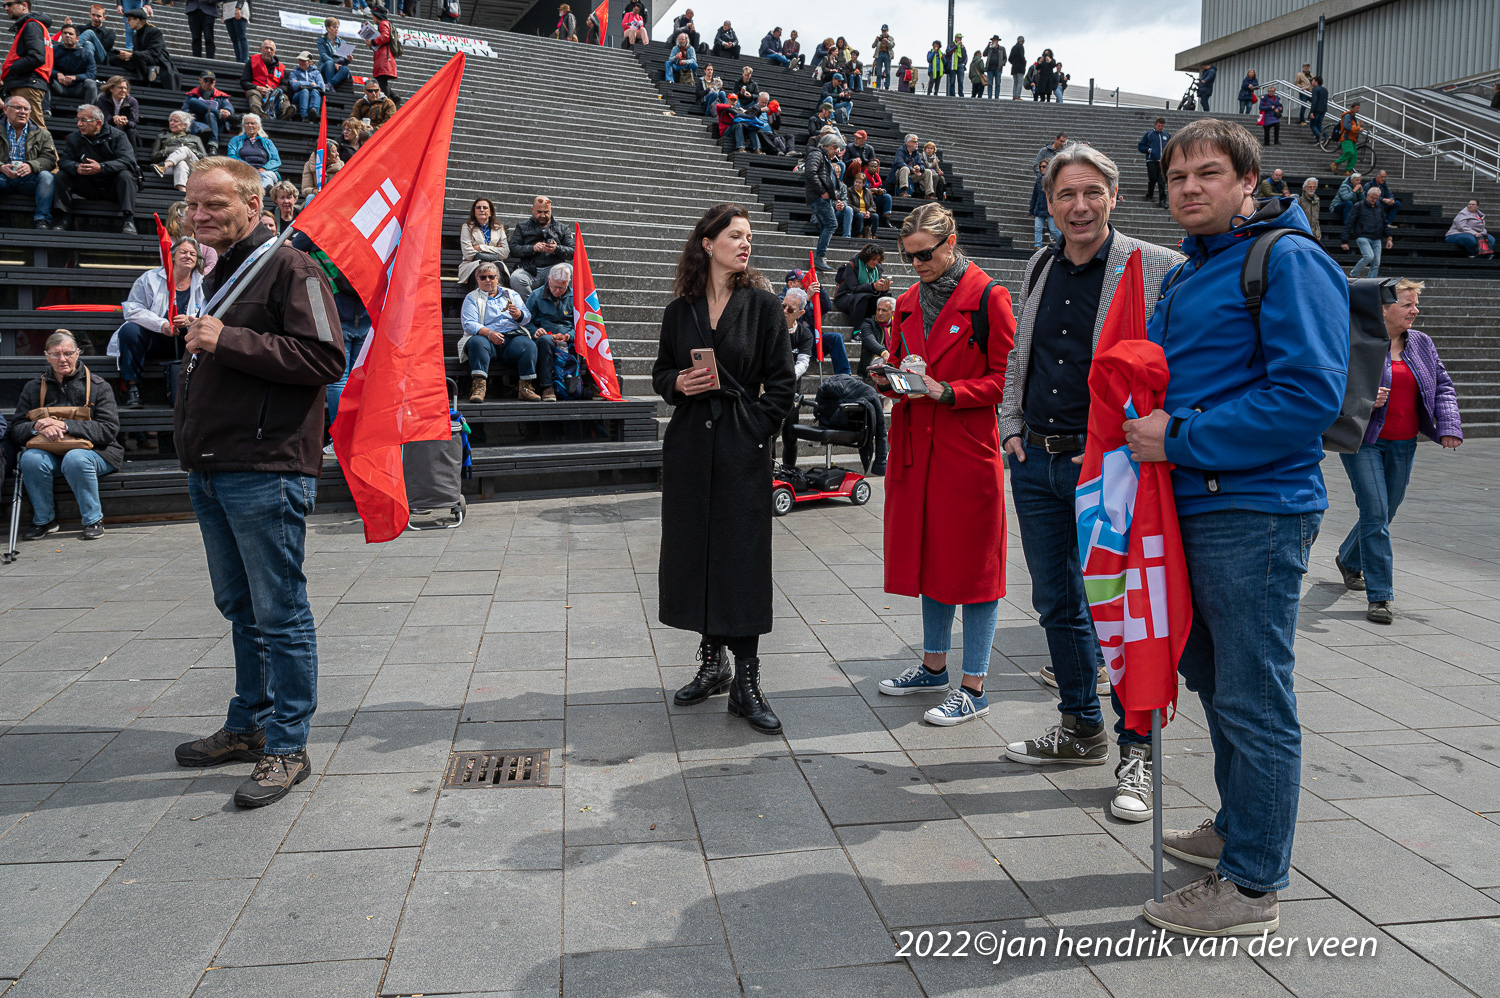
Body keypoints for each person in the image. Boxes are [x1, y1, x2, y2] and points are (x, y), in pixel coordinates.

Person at [1134, 117, 1348, 936]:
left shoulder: (1286, 259)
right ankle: (1238, 827)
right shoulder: (1191, 272)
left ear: (1248, 182)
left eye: (1209, 173)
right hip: (1192, 506)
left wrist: (1178, 437)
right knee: (1218, 684)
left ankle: (1254, 883)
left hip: (1253, 510)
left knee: (1256, 695)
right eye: (1179, 176)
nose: (1190, 187)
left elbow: (1307, 400)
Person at [998, 144, 1185, 821]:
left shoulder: (1157, 267)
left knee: (1128, 608)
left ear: (1114, 197)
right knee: (1057, 604)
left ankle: (1138, 747)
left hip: (1110, 470)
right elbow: (1025, 351)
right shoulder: (1041, 262)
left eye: (1091, 193)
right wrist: (1010, 426)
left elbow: (1179, 362)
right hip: (1037, 461)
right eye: (1065, 195)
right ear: (1048, 204)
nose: (1078, 206)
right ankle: (1081, 726)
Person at [172, 156, 344, 808]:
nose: (198, 216)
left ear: (253, 205)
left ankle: (287, 744)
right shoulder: (219, 275)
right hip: (214, 468)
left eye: (213, 204)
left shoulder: (292, 268)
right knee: (240, 609)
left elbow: (327, 358)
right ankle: (249, 722)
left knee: (280, 613)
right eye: (192, 205)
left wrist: (227, 340)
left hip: (265, 470)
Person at [653, 203, 795, 734]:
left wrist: (754, 428)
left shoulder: (762, 306)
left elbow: (783, 385)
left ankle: (747, 681)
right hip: (690, 449)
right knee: (698, 557)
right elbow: (660, 371)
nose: (745, 243)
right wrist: (676, 385)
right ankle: (712, 665)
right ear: (707, 243)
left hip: (740, 449)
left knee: (742, 561)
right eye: (735, 235)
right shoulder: (679, 310)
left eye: (750, 236)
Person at [872, 202, 1015, 725]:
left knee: (976, 570)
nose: (916, 265)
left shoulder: (990, 298)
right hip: (917, 449)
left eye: (924, 255)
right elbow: (899, 359)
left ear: (951, 243)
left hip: (964, 450)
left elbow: (1007, 380)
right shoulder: (908, 301)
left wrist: (950, 390)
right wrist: (886, 376)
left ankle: (973, 685)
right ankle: (934, 666)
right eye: (909, 257)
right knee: (930, 559)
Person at [1336, 278, 1462, 626]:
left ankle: (1348, 559)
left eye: (1415, 304)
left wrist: (1449, 426)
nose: (1414, 310)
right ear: (1383, 308)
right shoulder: (1357, 341)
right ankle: (1380, 596)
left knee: (1384, 513)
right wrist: (1361, 399)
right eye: (1407, 304)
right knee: (1375, 513)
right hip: (1364, 441)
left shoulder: (1421, 343)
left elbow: (1443, 386)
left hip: (1405, 442)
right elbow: (1331, 385)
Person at [9, 331, 122, 541]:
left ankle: (93, 519)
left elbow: (108, 430)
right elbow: (15, 430)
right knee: (30, 459)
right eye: (56, 354)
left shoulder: (99, 386)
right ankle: (45, 520)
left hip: (97, 453)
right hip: (50, 454)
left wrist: (63, 425)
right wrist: (37, 427)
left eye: (68, 353)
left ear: (78, 353)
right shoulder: (33, 388)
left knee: (75, 458)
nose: (62, 359)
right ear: (46, 356)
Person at [110, 236, 204, 407]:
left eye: (193, 254)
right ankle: (133, 390)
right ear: (172, 256)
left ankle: (199, 394)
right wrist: (161, 325)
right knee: (129, 331)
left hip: (187, 342)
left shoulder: (204, 282)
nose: (188, 256)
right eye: (183, 252)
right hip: (155, 338)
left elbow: (213, 313)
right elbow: (133, 309)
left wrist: (192, 321)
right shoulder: (150, 278)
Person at [461, 263, 542, 401]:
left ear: (497, 278)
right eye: (483, 277)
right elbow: (468, 323)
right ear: (477, 279)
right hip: (487, 339)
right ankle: (479, 387)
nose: (488, 280)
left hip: (511, 338)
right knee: (476, 342)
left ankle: (525, 387)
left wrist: (518, 314)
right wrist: (488, 333)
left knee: (528, 345)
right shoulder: (472, 297)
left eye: (491, 277)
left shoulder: (511, 294)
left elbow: (526, 317)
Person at [54, 103, 139, 233]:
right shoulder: (73, 138)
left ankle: (128, 220)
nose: (79, 124)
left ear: (98, 123)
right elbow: (64, 161)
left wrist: (101, 167)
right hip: (89, 185)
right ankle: (64, 219)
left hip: (113, 187)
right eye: (78, 119)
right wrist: (76, 167)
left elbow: (129, 161)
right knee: (61, 176)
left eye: (83, 120)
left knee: (126, 175)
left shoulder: (118, 136)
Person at [0, 92, 55, 228]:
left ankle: (42, 219)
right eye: (18, 108)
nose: (23, 112)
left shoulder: (42, 133)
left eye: (26, 109)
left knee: (47, 177)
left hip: (28, 179)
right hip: (2, 177)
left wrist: (31, 166)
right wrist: (1, 167)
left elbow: (50, 159)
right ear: (6, 109)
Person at [521, 264, 574, 402]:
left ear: (568, 282)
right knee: (545, 341)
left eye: (562, 287)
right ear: (549, 280)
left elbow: (581, 323)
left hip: (567, 335)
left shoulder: (575, 296)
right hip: (545, 336)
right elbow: (526, 321)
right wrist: (535, 331)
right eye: (554, 286)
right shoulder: (536, 295)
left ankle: (584, 384)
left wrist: (571, 335)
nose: (557, 291)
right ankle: (547, 386)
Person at [509, 195, 574, 297]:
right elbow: (513, 249)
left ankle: (563, 305)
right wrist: (532, 248)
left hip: (553, 269)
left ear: (551, 209)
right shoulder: (522, 226)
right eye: (539, 212)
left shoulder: (562, 228)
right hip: (530, 270)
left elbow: (573, 252)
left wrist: (556, 249)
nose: (543, 215)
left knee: (568, 269)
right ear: (532, 209)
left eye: (546, 212)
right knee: (516, 278)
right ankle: (532, 306)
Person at [805, 131, 850, 272]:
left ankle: (819, 256)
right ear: (826, 146)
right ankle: (820, 257)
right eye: (834, 148)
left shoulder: (825, 158)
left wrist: (834, 198)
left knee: (826, 225)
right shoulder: (816, 154)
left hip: (822, 198)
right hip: (818, 197)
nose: (836, 151)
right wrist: (821, 191)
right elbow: (810, 173)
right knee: (831, 224)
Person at [2, 0, 50, 127]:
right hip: (26, 83)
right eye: (4, 5)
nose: (6, 8)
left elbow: (37, 57)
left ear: (24, 5)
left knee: (36, 131)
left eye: (9, 4)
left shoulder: (32, 25)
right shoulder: (29, 25)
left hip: (28, 84)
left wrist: (12, 69)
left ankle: (48, 149)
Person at [110, 10, 177, 90]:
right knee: (113, 59)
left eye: (129, 19)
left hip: (157, 60)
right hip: (142, 60)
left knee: (137, 56)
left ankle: (144, 82)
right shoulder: (135, 36)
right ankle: (149, 70)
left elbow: (154, 52)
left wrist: (132, 55)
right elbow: (136, 52)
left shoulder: (155, 31)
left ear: (137, 20)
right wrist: (127, 56)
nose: (127, 22)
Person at [834, 241, 891, 330]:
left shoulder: (877, 268)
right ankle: (858, 330)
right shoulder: (852, 265)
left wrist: (884, 288)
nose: (876, 262)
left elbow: (875, 288)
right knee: (863, 297)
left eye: (878, 259)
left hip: (867, 296)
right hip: (846, 297)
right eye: (874, 259)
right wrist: (872, 286)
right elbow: (854, 288)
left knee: (885, 297)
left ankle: (881, 329)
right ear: (866, 258)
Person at [1342, 184, 1392, 278]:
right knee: (1369, 256)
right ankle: (1353, 274)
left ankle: (1371, 282)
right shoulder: (1359, 206)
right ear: (1368, 195)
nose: (1375, 200)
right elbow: (1349, 223)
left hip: (1377, 237)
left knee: (1376, 263)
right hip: (1362, 236)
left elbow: (1384, 223)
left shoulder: (1379, 207)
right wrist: (1345, 240)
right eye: (1373, 198)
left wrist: (1389, 238)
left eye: (1377, 198)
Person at [150, 109, 207, 189]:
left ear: (184, 125)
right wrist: (166, 151)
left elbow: (205, 159)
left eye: (175, 121)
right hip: (172, 169)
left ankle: (164, 166)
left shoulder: (195, 138)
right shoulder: (161, 137)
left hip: (194, 168)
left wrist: (191, 151)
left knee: (185, 149)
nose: (171, 123)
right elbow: (154, 157)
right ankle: (182, 192)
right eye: (170, 120)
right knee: (181, 163)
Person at [458, 197, 509, 286]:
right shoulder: (467, 227)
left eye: (485, 208)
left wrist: (481, 247)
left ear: (490, 212)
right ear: (474, 212)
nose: (482, 210)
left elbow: (505, 252)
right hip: (472, 264)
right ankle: (479, 299)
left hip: (495, 264)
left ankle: (498, 298)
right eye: (478, 208)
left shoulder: (499, 228)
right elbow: (468, 253)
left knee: (498, 268)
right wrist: (495, 251)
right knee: (481, 269)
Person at [227, 112, 280, 189]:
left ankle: (264, 193)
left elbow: (276, 160)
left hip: (265, 171)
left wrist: (264, 168)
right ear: (243, 126)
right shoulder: (235, 140)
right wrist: (248, 168)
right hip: (244, 170)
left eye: (252, 123)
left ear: (258, 126)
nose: (250, 125)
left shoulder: (268, 142)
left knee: (267, 176)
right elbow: (231, 157)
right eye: (247, 123)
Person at [50, 24, 99, 107]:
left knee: (91, 83)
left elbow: (91, 74)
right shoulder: (54, 50)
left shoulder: (86, 53)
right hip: (59, 86)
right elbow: (47, 68)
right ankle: (46, 110)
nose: (67, 35)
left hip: (78, 88)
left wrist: (75, 77)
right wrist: (57, 74)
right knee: (45, 79)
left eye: (70, 34)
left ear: (77, 38)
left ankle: (88, 112)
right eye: (65, 33)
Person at [181, 70, 231, 152]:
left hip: (216, 124)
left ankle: (213, 145)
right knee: (193, 101)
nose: (208, 83)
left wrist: (227, 111)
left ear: (214, 82)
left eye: (211, 81)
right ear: (200, 80)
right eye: (205, 80)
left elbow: (228, 107)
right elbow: (185, 112)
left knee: (210, 114)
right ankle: (216, 112)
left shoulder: (221, 95)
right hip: (197, 124)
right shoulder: (191, 94)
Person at [240, 37, 287, 119]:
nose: (268, 51)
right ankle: (259, 112)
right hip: (258, 91)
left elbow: (285, 86)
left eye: (271, 49)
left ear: (274, 52)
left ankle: (286, 114)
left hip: (274, 93)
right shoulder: (252, 61)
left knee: (284, 97)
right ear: (261, 49)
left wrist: (274, 90)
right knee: (252, 93)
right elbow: (244, 82)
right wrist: (257, 88)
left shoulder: (281, 67)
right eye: (266, 48)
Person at [857, 294, 893, 379]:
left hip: (893, 358)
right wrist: (884, 352)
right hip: (875, 360)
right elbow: (869, 339)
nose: (880, 313)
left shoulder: (897, 324)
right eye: (878, 309)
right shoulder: (868, 323)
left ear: (893, 312)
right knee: (887, 367)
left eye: (884, 310)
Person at [368, 5, 397, 103]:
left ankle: (387, 102)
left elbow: (385, 37)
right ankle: (394, 97)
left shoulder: (383, 23)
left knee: (381, 81)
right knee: (381, 80)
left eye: (373, 15)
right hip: (384, 56)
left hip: (384, 57)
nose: (372, 18)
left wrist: (372, 42)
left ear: (377, 15)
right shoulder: (385, 23)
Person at [1138, 117, 1170, 207]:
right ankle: (1149, 194)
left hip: (1162, 161)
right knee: (1152, 179)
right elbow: (1140, 146)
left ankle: (1162, 200)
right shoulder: (1149, 134)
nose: (1160, 128)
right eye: (1159, 126)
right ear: (1155, 124)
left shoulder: (1166, 135)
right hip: (1152, 160)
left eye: (1162, 126)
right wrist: (1149, 150)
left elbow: (1170, 146)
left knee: (1162, 181)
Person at [286, 50, 326, 122]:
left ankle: (313, 112)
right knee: (305, 91)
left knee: (315, 91)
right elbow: (294, 85)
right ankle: (304, 116)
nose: (301, 62)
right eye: (300, 60)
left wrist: (300, 83)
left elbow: (321, 87)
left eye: (304, 60)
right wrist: (311, 84)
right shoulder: (295, 71)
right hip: (298, 96)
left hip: (314, 96)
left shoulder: (316, 73)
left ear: (310, 62)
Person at [1331, 101, 1361, 174]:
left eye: (1359, 108)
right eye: (1357, 108)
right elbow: (1346, 126)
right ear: (1352, 108)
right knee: (1349, 152)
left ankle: (1347, 170)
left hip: (1353, 138)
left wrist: (1359, 125)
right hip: (1346, 137)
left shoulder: (1353, 116)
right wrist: (1358, 128)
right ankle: (1336, 163)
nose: (1358, 110)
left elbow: (1352, 127)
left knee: (1354, 156)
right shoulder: (1347, 116)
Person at [1298, 176, 1322, 242]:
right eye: (1310, 187)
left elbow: (1316, 219)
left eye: (1314, 187)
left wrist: (1318, 233)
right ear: (1305, 188)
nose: (1312, 188)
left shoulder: (1317, 200)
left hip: (1315, 234)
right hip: (1303, 232)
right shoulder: (1299, 201)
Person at [1307, 75, 1328, 143]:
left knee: (1313, 125)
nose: (1311, 82)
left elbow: (1314, 101)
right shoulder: (1325, 90)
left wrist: (1312, 111)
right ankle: (1326, 136)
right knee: (1319, 124)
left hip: (1316, 109)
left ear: (1316, 82)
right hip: (1323, 109)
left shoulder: (1315, 89)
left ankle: (1318, 138)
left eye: (1312, 81)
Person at [1008, 35, 1026, 100]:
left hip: (1014, 68)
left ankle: (1014, 96)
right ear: (1022, 41)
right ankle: (1017, 96)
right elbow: (1021, 56)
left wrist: (1014, 63)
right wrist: (1024, 62)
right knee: (1020, 82)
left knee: (1015, 82)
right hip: (1020, 68)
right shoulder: (1021, 47)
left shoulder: (1013, 47)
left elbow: (1009, 59)